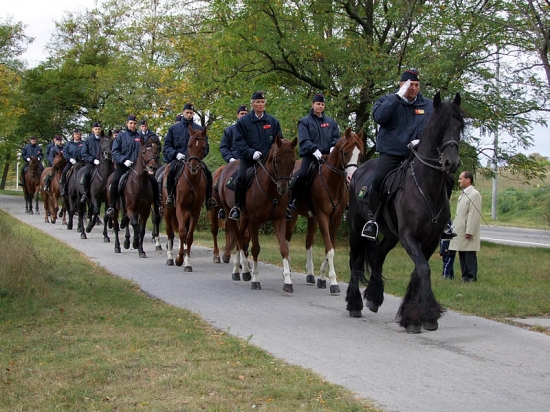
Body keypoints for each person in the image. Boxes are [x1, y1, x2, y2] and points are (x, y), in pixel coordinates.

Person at [362, 69, 456, 240]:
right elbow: (379, 117)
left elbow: (436, 129)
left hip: (419, 155)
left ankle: (444, 222)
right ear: (401, 84)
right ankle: (372, 220)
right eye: (410, 84)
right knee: (379, 179)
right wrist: (397, 97)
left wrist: (422, 141)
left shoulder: (428, 105)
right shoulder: (387, 101)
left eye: (416, 85)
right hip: (393, 153)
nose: (413, 88)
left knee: (447, 179)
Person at [228, 91, 284, 221]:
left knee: (283, 176)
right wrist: (251, 152)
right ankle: (237, 207)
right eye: (258, 102)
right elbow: (238, 141)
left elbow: (279, 141)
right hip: (249, 159)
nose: (260, 104)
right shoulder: (243, 122)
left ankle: (284, 207)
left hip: (268, 159)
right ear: (252, 104)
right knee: (240, 178)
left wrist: (272, 152)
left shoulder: (273, 121)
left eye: (262, 102)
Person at [289, 93, 340, 215]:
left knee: (341, 174)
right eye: (318, 104)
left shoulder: (331, 122)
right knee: (301, 175)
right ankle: (294, 200)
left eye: (322, 104)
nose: (320, 106)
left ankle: (343, 201)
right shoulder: (304, 121)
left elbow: (336, 137)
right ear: (312, 104)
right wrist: (314, 150)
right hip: (311, 156)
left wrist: (333, 147)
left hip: (328, 156)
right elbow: (304, 139)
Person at [162, 103, 216, 210]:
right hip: (178, 158)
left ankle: (209, 199)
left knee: (208, 173)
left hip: (195, 160)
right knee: (171, 170)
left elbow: (206, 147)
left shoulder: (200, 129)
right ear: (183, 113)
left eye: (191, 113)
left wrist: (199, 157)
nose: (189, 115)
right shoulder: (174, 128)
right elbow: (167, 146)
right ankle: (170, 196)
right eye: (187, 112)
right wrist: (176, 154)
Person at [106, 115, 161, 217]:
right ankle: (112, 206)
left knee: (153, 181)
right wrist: (124, 160)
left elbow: (148, 150)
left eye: (134, 123)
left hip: (139, 167)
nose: (132, 125)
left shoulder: (141, 137)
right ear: (127, 124)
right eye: (131, 123)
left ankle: (157, 206)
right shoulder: (121, 137)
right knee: (115, 181)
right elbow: (115, 152)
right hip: (124, 165)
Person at [449, 171, 482, 283]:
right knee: (462, 252)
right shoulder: (463, 193)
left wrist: (470, 231)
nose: (459, 181)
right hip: (460, 229)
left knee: (469, 253)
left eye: (461, 178)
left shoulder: (474, 194)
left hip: (467, 229)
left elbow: (473, 214)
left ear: (468, 180)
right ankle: (465, 276)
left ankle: (471, 277)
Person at [217, 105, 248, 219]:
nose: (244, 116)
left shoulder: (252, 130)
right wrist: (230, 159)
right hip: (233, 162)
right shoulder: (229, 130)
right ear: (237, 115)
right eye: (242, 114)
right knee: (217, 182)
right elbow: (223, 147)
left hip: (249, 160)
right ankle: (222, 206)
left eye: (246, 114)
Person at [80, 122, 103, 203]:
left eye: (99, 129)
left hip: (102, 163)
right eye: (96, 129)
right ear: (93, 130)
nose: (97, 131)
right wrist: (93, 160)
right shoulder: (88, 140)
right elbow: (84, 153)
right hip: (91, 162)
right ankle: (85, 193)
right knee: (86, 174)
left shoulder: (103, 139)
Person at [60, 129, 84, 196]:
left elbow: (85, 151)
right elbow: (65, 152)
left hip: (81, 162)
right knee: (64, 173)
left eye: (78, 134)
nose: (77, 136)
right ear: (73, 135)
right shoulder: (69, 144)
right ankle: (64, 189)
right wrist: (70, 159)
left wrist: (83, 157)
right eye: (76, 134)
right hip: (71, 162)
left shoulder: (83, 143)